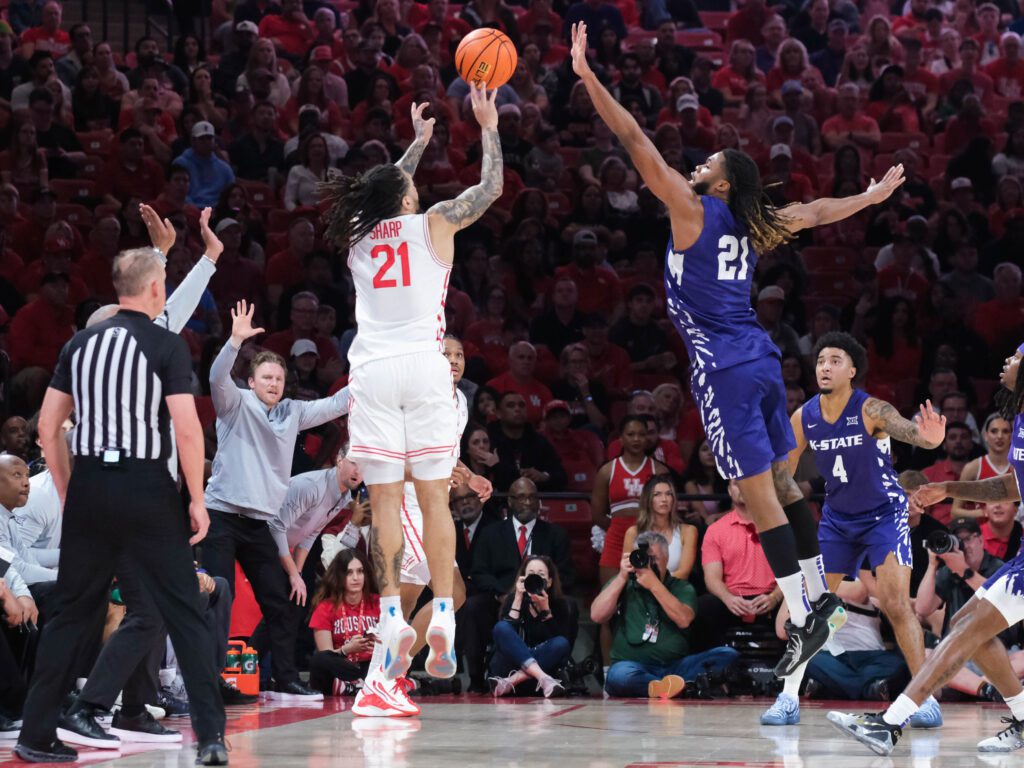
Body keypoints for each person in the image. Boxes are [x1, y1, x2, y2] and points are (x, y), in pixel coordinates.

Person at [571, 21, 905, 676]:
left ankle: (805, 610)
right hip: (762, 358)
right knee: (782, 482)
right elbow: (814, 211)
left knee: (757, 495)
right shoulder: (753, 224)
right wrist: (869, 197)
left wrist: (589, 77)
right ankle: (820, 594)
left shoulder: (691, 210)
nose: (698, 166)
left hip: (724, 368)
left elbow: (634, 140)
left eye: (710, 164)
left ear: (722, 185)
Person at [318, 90, 502, 711]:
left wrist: (417, 146)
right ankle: (444, 610)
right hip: (426, 367)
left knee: (385, 503)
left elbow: (380, 192)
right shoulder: (436, 222)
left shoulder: (356, 234)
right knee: (433, 497)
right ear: (405, 199)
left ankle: (394, 615)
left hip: (372, 370)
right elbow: (491, 188)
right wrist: (487, 127)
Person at [14, 244, 226, 764]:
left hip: (90, 484)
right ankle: (211, 739)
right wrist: (197, 499)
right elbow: (187, 430)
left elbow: (48, 426)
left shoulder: (79, 344)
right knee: (183, 610)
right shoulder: (165, 344)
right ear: (155, 288)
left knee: (70, 614)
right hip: (145, 485)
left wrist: (69, 490)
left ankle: (35, 734)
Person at [828, 345, 1024, 756]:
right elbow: (1013, 486)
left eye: (1018, 357)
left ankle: (889, 724)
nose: (1008, 361)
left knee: (969, 627)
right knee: (965, 621)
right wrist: (948, 488)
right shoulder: (1019, 419)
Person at [761, 332, 947, 728]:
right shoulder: (804, 416)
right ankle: (788, 699)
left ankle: (924, 698)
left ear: (852, 370)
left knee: (896, 604)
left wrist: (928, 438)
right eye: (820, 361)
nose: (824, 367)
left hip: (884, 516)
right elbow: (782, 473)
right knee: (809, 609)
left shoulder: (872, 408)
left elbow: (908, 430)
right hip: (838, 521)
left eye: (835, 360)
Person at [353, 335, 492, 718]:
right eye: (446, 354)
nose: (454, 360)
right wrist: (432, 474)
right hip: (407, 507)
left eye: (459, 354)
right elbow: (392, 460)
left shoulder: (459, 401)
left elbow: (446, 458)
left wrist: (469, 476)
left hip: (433, 511)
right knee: (423, 598)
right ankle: (381, 682)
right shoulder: (416, 400)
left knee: (437, 598)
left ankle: (382, 680)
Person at [593, 531, 739, 698]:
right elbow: (597, 615)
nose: (648, 564)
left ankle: (664, 687)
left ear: (666, 559)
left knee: (727, 655)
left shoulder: (681, 587)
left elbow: (684, 620)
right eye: (644, 558)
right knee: (618, 675)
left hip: (677, 667)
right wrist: (621, 577)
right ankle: (677, 687)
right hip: (633, 666)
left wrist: (654, 585)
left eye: (654, 558)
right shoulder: (624, 584)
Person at [463, 477, 574, 692]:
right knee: (473, 606)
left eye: (532, 497)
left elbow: (567, 574)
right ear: (510, 501)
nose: (527, 502)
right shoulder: (491, 533)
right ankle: (476, 678)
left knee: (569, 606)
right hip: (501, 597)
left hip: (543, 598)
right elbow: (479, 573)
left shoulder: (555, 534)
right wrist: (504, 594)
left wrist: (545, 596)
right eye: (521, 497)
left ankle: (558, 670)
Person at [592, 416, 668, 585]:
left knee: (651, 592)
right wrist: (618, 528)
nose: (636, 439)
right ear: (621, 438)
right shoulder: (607, 471)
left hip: (650, 536)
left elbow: (667, 511)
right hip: (616, 536)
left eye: (641, 434)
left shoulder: (659, 470)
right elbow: (597, 514)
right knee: (610, 591)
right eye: (631, 434)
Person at [488, 555, 572, 698]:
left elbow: (561, 645)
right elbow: (505, 637)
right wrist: (517, 599)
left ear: (549, 582)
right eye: (531, 574)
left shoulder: (559, 605)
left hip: (536, 677)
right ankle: (543, 678)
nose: (535, 579)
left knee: (561, 643)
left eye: (541, 575)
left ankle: (513, 681)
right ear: (522, 579)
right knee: (502, 627)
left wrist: (546, 612)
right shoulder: (513, 600)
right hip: (509, 668)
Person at [308, 548, 379, 696]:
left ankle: (355, 685)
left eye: (360, 571)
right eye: (349, 573)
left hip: (370, 665)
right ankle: (360, 685)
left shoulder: (379, 603)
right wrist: (347, 649)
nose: (356, 578)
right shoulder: (325, 607)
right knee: (319, 660)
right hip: (341, 666)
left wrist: (378, 645)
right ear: (339, 576)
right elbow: (326, 654)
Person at [623, 475, 698, 580]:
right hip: (640, 588)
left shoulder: (688, 531)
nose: (664, 499)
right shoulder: (633, 532)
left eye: (668, 494)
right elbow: (627, 571)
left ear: (673, 499)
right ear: (648, 499)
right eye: (657, 494)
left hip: (674, 588)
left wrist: (654, 584)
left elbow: (684, 573)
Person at [952, 413, 1013, 519]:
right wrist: (985, 512)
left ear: (1012, 436)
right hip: (982, 527)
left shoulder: (1020, 467)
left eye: (1005, 431)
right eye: (994, 431)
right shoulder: (973, 468)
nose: (999, 436)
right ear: (985, 436)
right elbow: (955, 511)